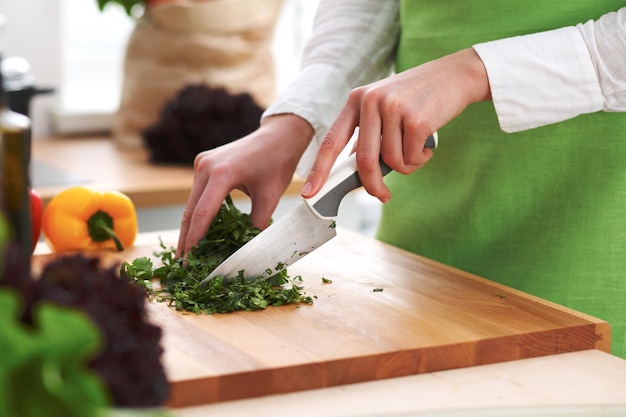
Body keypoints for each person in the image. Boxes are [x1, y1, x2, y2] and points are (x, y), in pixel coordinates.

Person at [177, 2, 626, 358]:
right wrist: (292, 121)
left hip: (589, 255)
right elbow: (365, 8)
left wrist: (475, 69)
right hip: (417, 267)